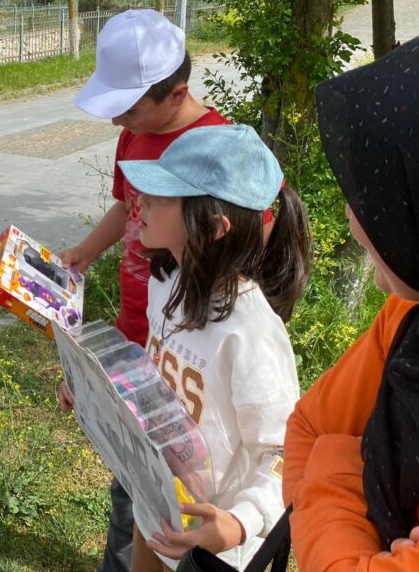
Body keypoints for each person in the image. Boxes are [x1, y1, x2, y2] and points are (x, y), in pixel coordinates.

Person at [283, 18, 419, 570]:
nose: (348, 215)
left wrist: (337, 470)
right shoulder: (415, 323)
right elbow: (306, 426)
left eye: (385, 188)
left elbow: (319, 448)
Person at [57, 8, 231, 572]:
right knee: (132, 478)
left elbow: (245, 261)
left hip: (188, 363)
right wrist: (87, 250)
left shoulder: (218, 149)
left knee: (180, 494)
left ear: (177, 92)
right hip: (139, 341)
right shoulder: (135, 136)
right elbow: (124, 204)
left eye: (127, 109)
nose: (117, 125)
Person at [117, 124, 311, 571]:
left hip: (212, 549)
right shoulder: (165, 283)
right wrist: (96, 390)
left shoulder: (252, 334)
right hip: (160, 512)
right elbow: (156, 377)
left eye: (162, 195)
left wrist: (239, 522)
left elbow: (286, 455)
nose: (140, 200)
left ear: (212, 226)